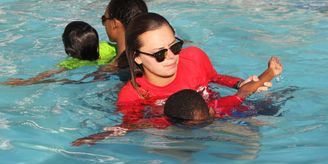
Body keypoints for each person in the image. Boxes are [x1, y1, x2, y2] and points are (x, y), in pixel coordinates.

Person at [71, 56, 283, 146]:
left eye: (206, 120)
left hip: (229, 116)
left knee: (266, 111)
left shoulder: (220, 108)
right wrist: (96, 137)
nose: (205, 124)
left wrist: (269, 73)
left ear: (211, 110)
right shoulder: (164, 121)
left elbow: (245, 91)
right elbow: (128, 126)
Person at [116, 12, 270, 111]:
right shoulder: (132, 97)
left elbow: (215, 78)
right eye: (159, 54)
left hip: (226, 111)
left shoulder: (194, 57)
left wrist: (239, 84)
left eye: (175, 47)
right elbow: (137, 129)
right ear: (137, 57)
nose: (171, 56)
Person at [1, 21, 116, 86]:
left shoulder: (71, 63)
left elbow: (47, 75)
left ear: (69, 51)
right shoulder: (107, 47)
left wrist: (25, 82)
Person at [87, 0, 148, 82]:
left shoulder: (109, 69)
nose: (104, 24)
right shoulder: (150, 56)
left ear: (114, 24)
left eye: (104, 19)